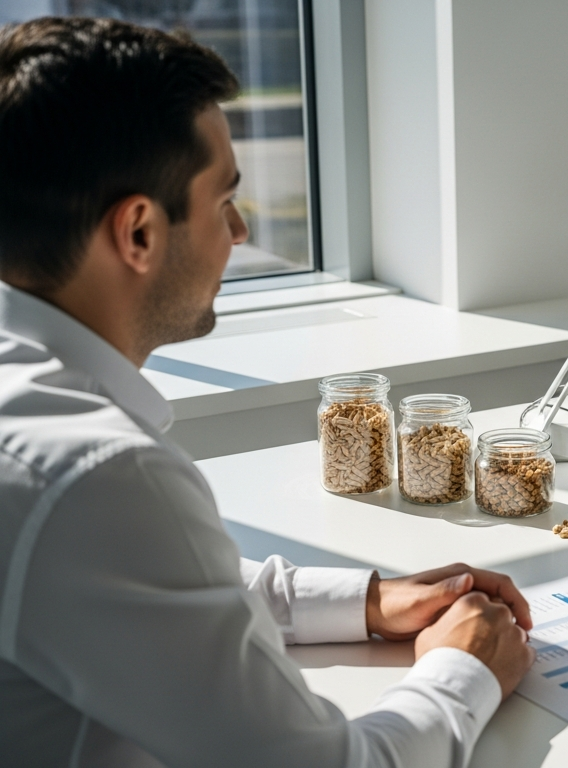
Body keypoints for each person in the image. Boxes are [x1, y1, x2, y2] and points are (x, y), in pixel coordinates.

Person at [0, 17, 533, 767]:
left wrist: (367, 602)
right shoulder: (95, 476)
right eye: (223, 202)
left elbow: (144, 589)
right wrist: (466, 668)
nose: (241, 231)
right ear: (140, 234)